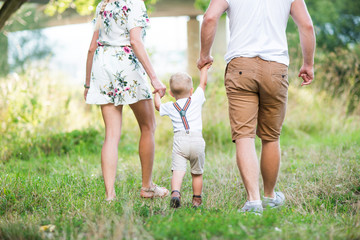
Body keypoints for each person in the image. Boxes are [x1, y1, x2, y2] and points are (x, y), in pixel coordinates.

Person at [197, 0, 316, 213]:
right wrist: (308, 64)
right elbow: (306, 25)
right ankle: (270, 196)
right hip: (275, 67)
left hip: (241, 65)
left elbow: (209, 18)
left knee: (244, 135)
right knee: (271, 136)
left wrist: (204, 55)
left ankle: (253, 201)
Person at [84, 0, 169, 201]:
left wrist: (88, 84)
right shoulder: (134, 3)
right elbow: (136, 41)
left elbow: (91, 48)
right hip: (126, 65)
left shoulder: (102, 5)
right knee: (148, 126)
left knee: (111, 135)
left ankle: (110, 195)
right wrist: (154, 78)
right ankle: (147, 188)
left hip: (103, 66)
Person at [154, 64, 211, 208]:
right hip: (197, 140)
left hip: (180, 142)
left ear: (172, 94)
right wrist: (204, 69)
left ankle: (175, 193)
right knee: (197, 173)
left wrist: (157, 93)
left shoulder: (170, 106)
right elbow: (203, 83)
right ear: (191, 90)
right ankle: (197, 200)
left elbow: (158, 106)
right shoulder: (196, 99)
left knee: (178, 171)